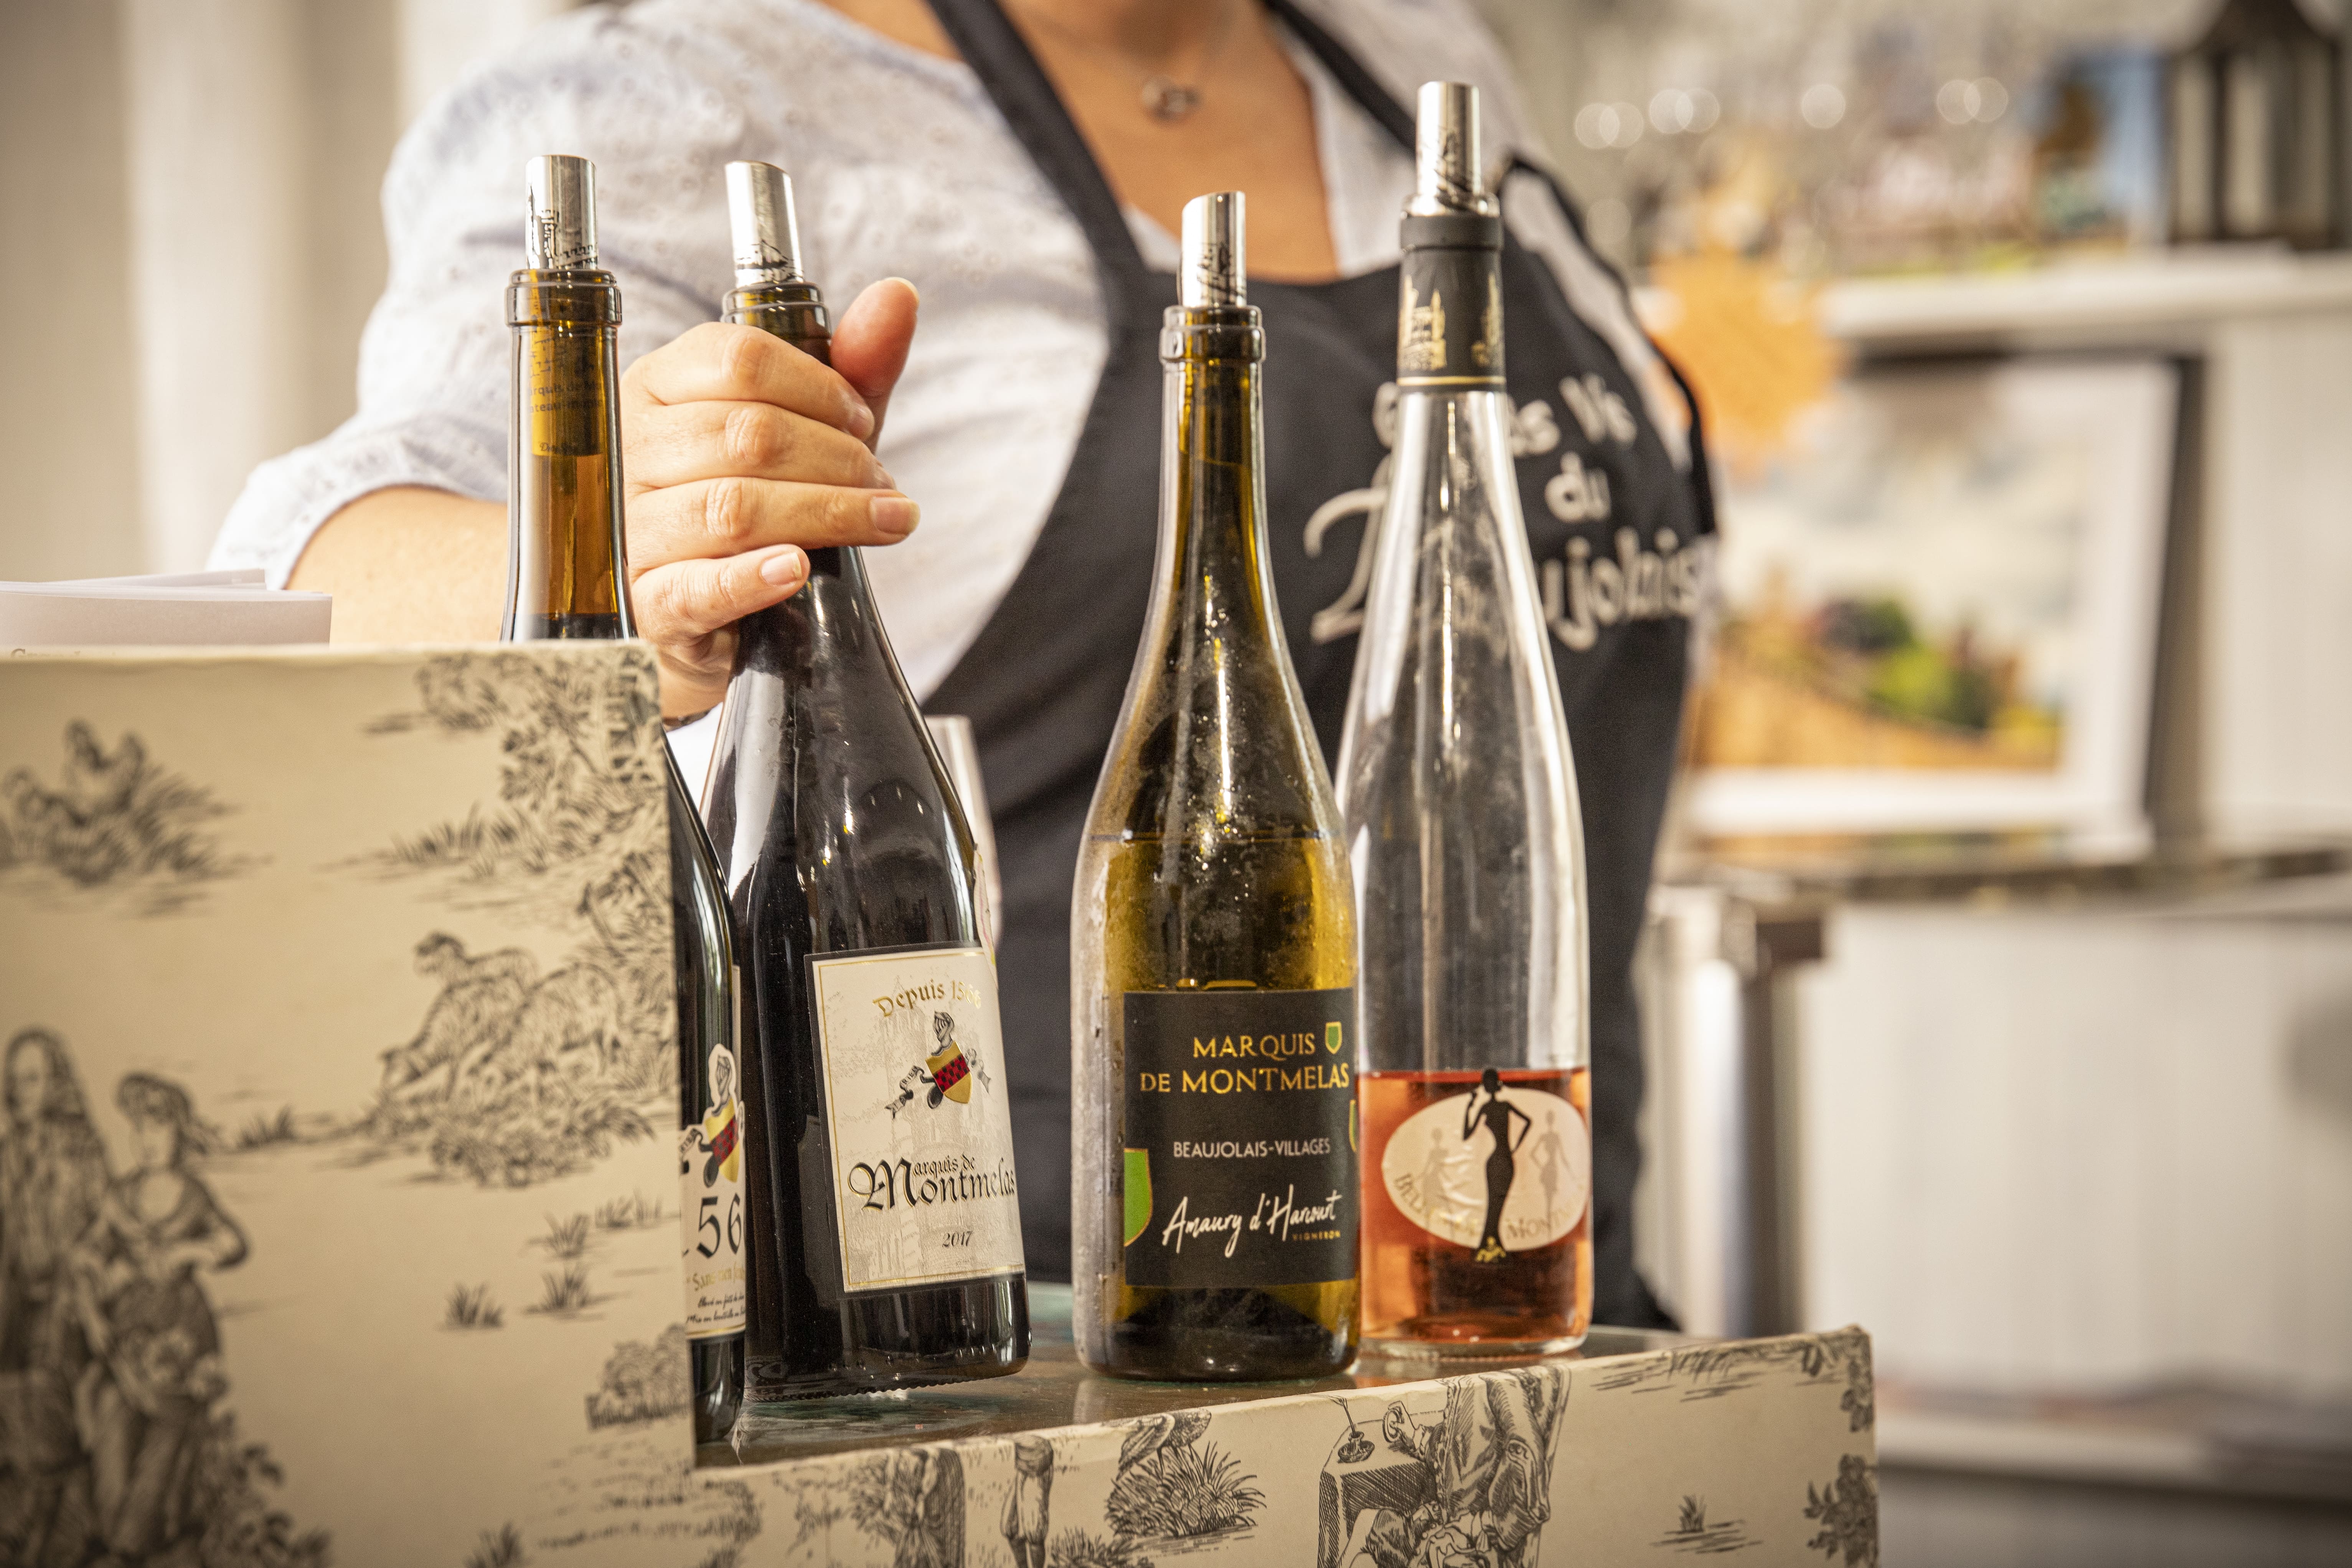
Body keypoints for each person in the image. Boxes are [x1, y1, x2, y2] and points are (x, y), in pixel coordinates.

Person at [212, 0, 1711, 1324]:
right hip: (1068, 1356)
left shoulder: (1413, 51)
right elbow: (319, 570)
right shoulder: (679, 97)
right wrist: (627, 562)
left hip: (1529, 1303)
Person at [72, 1073, 249, 1563]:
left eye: (159, 1128)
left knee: (169, 1432)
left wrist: (188, 1251)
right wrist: (93, 1315)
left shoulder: (193, 1195)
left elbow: (233, 1243)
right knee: (112, 1418)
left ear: (180, 1134)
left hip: (182, 1335)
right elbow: (85, 1256)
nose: (147, 1140)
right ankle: (113, 1530)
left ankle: (134, 1540)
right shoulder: (120, 1196)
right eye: (139, 1128)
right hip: (126, 1333)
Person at [0, 1028, 111, 1563]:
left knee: (53, 1408)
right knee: (15, 1397)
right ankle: (48, 1517)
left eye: (32, 1078)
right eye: (14, 1079)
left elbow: (106, 1221)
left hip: (71, 1298)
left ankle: (57, 1528)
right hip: (18, 1294)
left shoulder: (84, 1148)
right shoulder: (9, 1150)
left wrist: (85, 1267)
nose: (19, 1090)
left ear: (55, 1083)